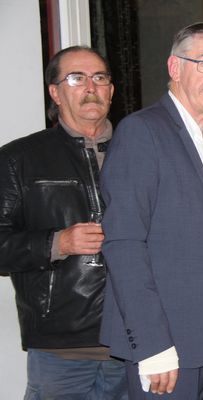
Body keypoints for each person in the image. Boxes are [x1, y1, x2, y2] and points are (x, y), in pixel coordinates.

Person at [99, 22, 203, 399]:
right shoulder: (142, 132)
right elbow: (124, 244)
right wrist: (152, 347)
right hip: (168, 345)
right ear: (174, 67)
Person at [0, 46, 127, 399]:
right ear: (55, 92)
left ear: (111, 90)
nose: (91, 86)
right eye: (77, 78)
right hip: (62, 350)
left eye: (100, 77)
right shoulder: (18, 159)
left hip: (135, 342)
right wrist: (57, 243)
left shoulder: (140, 152)